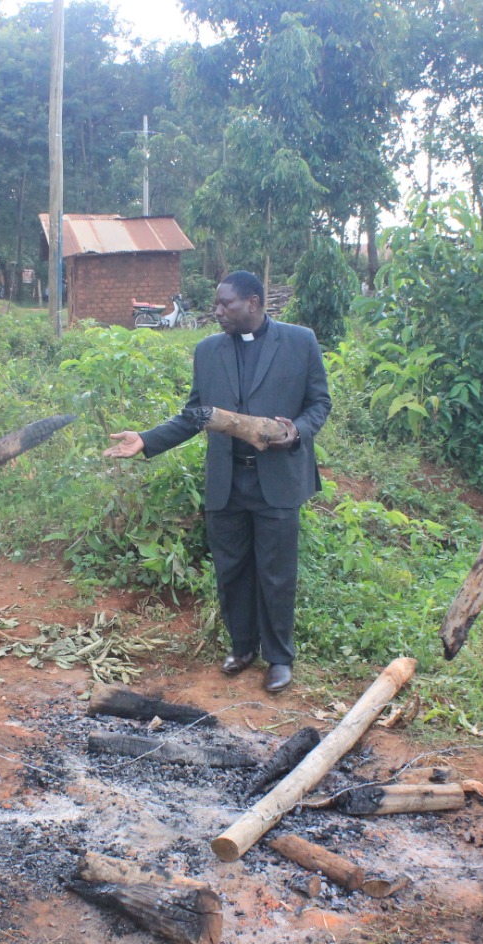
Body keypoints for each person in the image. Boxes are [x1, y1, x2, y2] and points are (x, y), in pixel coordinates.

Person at [103, 271, 331, 693]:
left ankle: (279, 658)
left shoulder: (299, 342)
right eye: (217, 304)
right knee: (232, 570)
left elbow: (319, 403)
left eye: (227, 304)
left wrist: (296, 431)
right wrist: (147, 440)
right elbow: (196, 415)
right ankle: (243, 647)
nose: (218, 311)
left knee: (277, 574)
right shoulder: (208, 350)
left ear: (254, 303)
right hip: (227, 481)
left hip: (278, 481)